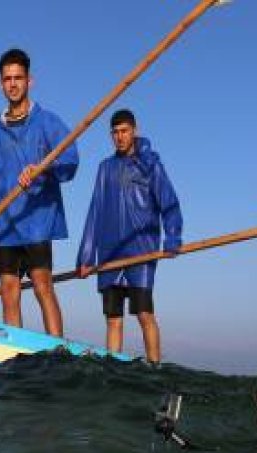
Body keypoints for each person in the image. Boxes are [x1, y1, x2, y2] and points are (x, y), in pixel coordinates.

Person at [0, 48, 78, 336]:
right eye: (7, 79)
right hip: (4, 222)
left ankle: (57, 350)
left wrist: (42, 168)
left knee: (43, 284)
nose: (13, 84)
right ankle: (14, 354)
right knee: (8, 290)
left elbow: (70, 160)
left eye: (18, 77)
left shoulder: (48, 122)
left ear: (30, 81)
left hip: (37, 221)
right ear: (0, 84)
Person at [77, 109, 182, 363]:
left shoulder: (150, 165)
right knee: (113, 320)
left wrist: (173, 238)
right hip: (109, 254)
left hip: (141, 252)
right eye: (114, 132)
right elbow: (95, 212)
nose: (119, 137)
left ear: (134, 130)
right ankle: (113, 371)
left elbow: (169, 202)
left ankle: (155, 367)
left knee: (144, 314)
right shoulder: (105, 169)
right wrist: (86, 256)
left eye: (124, 131)